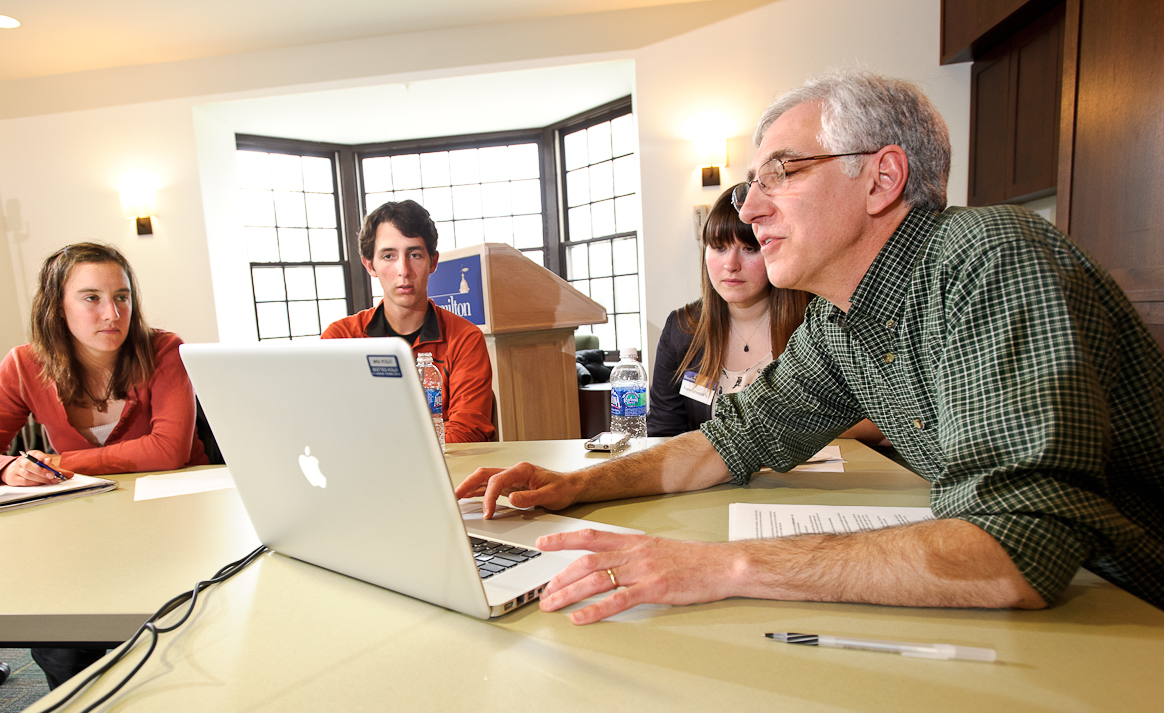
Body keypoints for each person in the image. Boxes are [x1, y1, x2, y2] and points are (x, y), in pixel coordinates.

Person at [456, 69, 1164, 624]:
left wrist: (719, 566)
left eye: (781, 173)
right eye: (748, 182)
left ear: (881, 178)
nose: (749, 207)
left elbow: (1015, 546)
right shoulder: (838, 322)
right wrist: (573, 486)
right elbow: (731, 439)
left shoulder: (990, 255)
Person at [0, 241, 207, 685]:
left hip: (173, 523)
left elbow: (167, 450)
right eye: (91, 298)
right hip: (82, 530)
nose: (112, 314)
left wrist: (61, 461)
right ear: (57, 307)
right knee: (63, 650)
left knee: (177, 650)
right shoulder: (24, 364)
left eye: (122, 296)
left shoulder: (165, 350)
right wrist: (3, 469)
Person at [648, 187, 884, 445]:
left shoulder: (818, 320)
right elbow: (663, 432)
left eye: (750, 249)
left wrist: (793, 431)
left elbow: (881, 423)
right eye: (719, 247)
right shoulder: (683, 329)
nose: (731, 265)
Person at [322, 199, 494, 443]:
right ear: (370, 265)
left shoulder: (465, 338)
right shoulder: (340, 338)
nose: (403, 270)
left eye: (414, 254)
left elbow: (468, 431)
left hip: (446, 473)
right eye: (389, 256)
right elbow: (327, 423)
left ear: (433, 262)